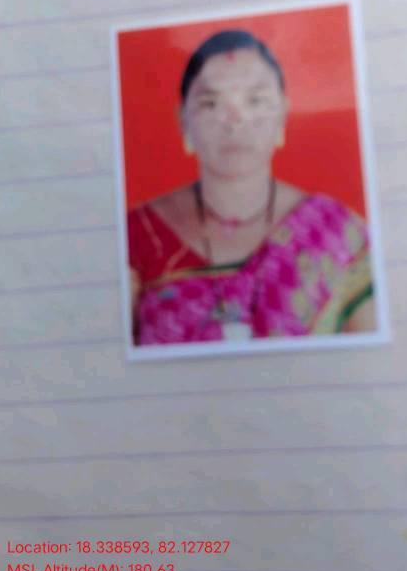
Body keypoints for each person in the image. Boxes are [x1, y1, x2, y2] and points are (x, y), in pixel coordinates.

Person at [127, 29, 375, 345]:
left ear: (282, 116)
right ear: (183, 121)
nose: (235, 120)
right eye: (210, 103)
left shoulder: (337, 233)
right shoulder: (137, 236)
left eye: (255, 101)